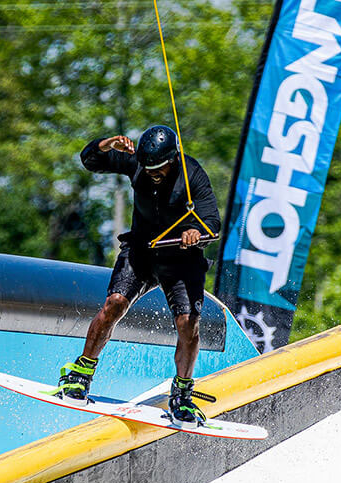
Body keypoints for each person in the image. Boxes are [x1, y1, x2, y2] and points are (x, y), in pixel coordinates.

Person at [58, 124, 221, 424]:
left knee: (188, 324)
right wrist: (106, 144)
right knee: (114, 304)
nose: (151, 173)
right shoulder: (138, 162)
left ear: (172, 160)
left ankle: (182, 393)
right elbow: (90, 160)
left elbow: (213, 222)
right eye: (147, 168)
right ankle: (80, 373)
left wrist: (195, 233)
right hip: (142, 251)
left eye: (158, 169)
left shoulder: (193, 174)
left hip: (181, 260)